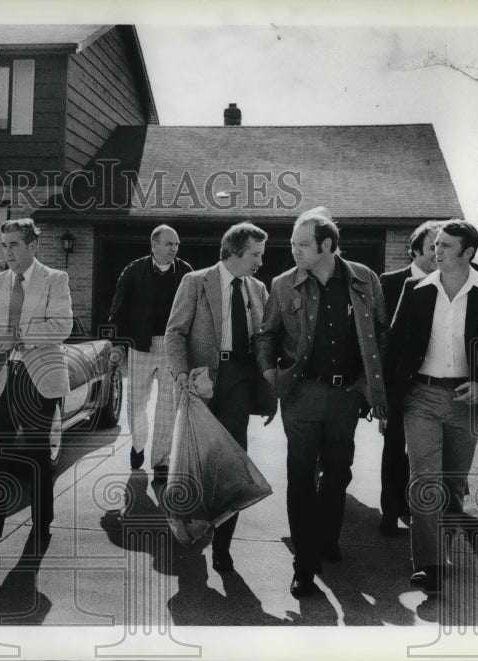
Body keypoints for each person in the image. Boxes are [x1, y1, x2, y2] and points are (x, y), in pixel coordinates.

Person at [256, 206, 389, 598]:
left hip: (346, 396)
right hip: (301, 395)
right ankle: (304, 565)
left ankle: (328, 539)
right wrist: (270, 374)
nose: (293, 250)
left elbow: (381, 334)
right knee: (300, 479)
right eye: (293, 243)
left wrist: (367, 385)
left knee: (337, 473)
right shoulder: (283, 284)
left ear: (327, 245)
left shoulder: (365, 279)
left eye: (302, 244)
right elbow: (266, 336)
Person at [387, 220, 478, 594]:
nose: (437, 251)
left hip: (466, 400)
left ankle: (441, 551)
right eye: (436, 245)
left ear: (468, 253)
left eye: (446, 246)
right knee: (424, 479)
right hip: (421, 397)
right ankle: (429, 565)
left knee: (453, 484)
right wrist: (387, 398)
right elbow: (395, 345)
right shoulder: (415, 290)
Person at [0, 218, 73, 563]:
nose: (7, 251)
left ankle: (42, 525)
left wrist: (18, 337)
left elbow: (62, 325)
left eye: (14, 245)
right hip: (3, 377)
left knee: (37, 455)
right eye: (4, 245)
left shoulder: (55, 279)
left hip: (40, 376)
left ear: (33, 245)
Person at [165, 222, 275, 574]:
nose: (260, 261)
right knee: (195, 464)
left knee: (231, 464)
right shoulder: (196, 282)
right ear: (233, 252)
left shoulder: (258, 288)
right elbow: (175, 332)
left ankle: (223, 548)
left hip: (240, 382)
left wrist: (271, 387)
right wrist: (182, 374)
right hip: (201, 383)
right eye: (255, 254)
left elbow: (266, 341)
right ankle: (191, 529)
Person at [108, 225, 193, 480]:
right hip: (141, 345)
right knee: (136, 403)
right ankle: (138, 445)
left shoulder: (186, 273)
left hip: (172, 347)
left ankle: (161, 463)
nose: (174, 249)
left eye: (176, 244)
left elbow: (193, 310)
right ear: (154, 245)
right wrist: (116, 344)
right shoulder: (134, 271)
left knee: (168, 406)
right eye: (169, 244)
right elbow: (118, 307)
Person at [377, 220, 440, 536]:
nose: (438, 254)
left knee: (427, 455)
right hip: (401, 384)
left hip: (438, 382)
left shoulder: (452, 281)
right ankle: (390, 512)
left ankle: (419, 511)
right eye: (432, 248)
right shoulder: (389, 283)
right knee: (395, 448)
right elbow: (382, 339)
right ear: (415, 250)